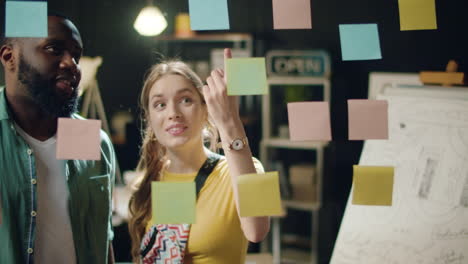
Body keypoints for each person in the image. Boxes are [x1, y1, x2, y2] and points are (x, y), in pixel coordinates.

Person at [128, 49, 270, 264]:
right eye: (160, 104)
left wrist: (230, 121)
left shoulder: (249, 168)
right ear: (149, 119)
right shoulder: (146, 182)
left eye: (185, 100)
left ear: (206, 109)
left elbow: (257, 230)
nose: (173, 113)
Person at [0, 14, 116, 263]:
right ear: (10, 57)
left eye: (76, 55)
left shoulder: (89, 138)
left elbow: (102, 239)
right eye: (54, 49)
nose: (71, 64)